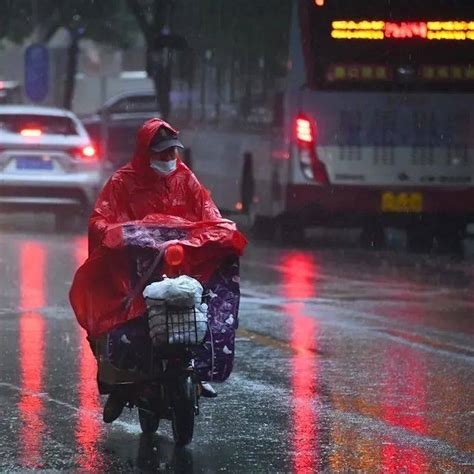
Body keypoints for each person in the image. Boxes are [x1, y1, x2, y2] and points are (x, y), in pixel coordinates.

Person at [80, 118, 240, 423]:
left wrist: (220, 231)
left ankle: (200, 366)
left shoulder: (185, 178)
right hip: (136, 266)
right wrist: (114, 233)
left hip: (179, 264)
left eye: (172, 154)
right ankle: (122, 385)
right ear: (145, 152)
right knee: (122, 322)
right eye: (162, 154)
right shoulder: (122, 182)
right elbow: (100, 218)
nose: (169, 160)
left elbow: (210, 214)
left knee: (204, 306)